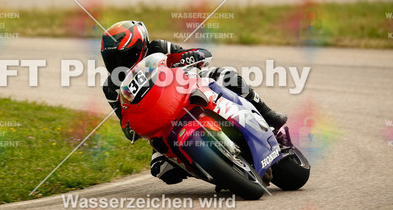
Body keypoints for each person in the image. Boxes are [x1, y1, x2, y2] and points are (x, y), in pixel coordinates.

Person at [100, 20, 287, 185]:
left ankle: (267, 114)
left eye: (123, 56)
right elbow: (125, 122)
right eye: (111, 59)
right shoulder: (111, 87)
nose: (117, 63)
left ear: (140, 47)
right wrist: (131, 128)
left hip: (187, 89)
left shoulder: (157, 48)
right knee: (162, 169)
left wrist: (193, 57)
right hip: (161, 123)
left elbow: (189, 54)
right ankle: (218, 171)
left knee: (228, 76)